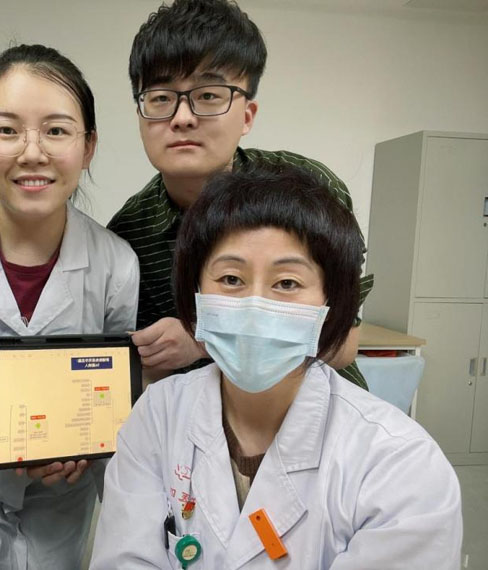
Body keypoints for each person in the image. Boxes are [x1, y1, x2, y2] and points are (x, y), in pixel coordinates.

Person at [91, 166, 462, 569]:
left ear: (330, 302)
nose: (255, 307)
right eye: (230, 278)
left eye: (287, 283)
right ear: (195, 292)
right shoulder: (158, 415)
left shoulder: (399, 462)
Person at [0, 45, 139, 570]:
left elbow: (111, 399)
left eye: (56, 131)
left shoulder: (116, 264)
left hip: (58, 512)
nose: (32, 153)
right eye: (7, 130)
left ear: (88, 146)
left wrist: (84, 447)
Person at [108, 0, 373, 388]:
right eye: (161, 98)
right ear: (140, 114)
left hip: (321, 402)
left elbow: (344, 343)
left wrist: (203, 339)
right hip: (203, 415)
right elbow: (145, 371)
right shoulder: (128, 233)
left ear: (247, 115)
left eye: (208, 95)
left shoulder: (311, 188)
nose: (182, 117)